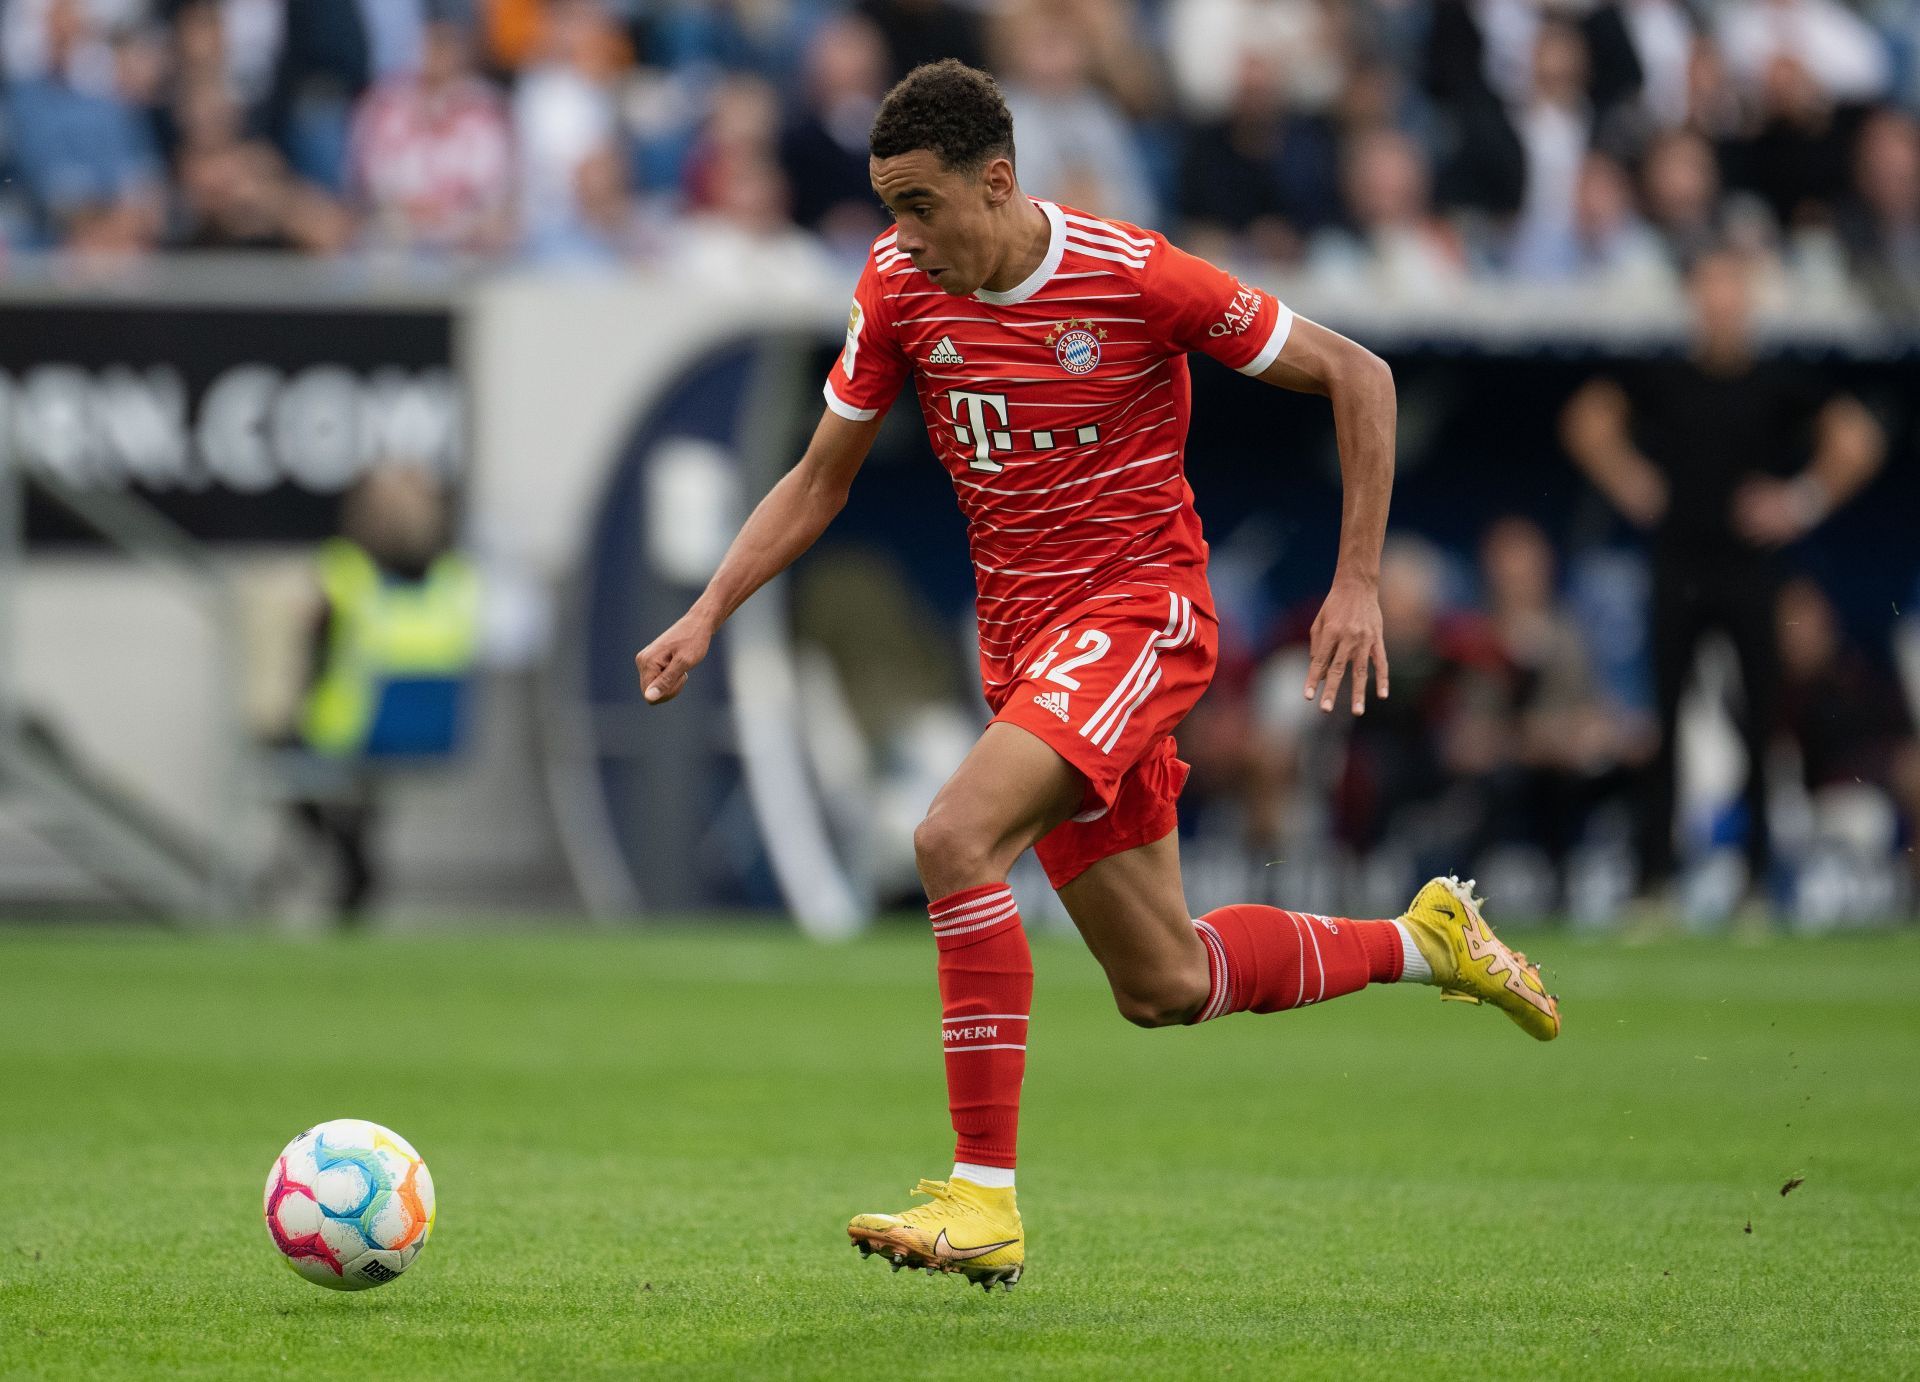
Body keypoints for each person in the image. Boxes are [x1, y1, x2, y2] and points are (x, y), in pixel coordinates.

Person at [636, 60, 1559, 1292]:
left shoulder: (1132, 275)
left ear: (998, 181)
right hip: (1025, 654)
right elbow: (818, 478)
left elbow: (1361, 375)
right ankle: (1426, 939)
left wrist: (1355, 579)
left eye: (918, 204)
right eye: (886, 208)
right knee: (1164, 982)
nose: (898, 236)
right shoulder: (900, 287)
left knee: (953, 836)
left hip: (1140, 617)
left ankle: (983, 1198)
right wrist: (707, 610)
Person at [1561, 248, 1884, 910]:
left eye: (1731, 288)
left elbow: (1857, 439)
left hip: (1748, 569)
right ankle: (1653, 885)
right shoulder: (1664, 375)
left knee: (1761, 724)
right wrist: (1631, 482)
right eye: (1709, 287)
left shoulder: (1778, 382)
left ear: (1750, 299)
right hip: (1677, 566)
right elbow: (1586, 422)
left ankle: (1756, 885)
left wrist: (1801, 501)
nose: (1720, 302)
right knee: (1667, 722)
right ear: (1693, 298)